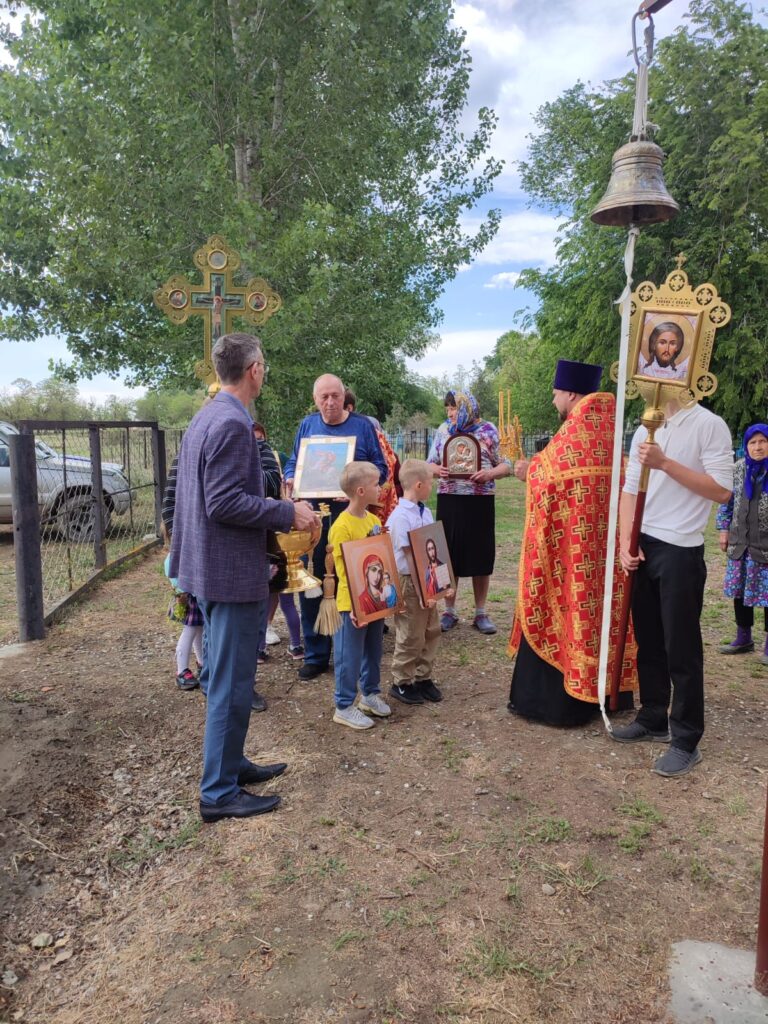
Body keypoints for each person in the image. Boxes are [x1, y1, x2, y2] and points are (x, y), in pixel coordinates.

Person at [169, 332, 319, 822]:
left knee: (225, 677)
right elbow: (224, 502)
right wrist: (287, 512)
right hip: (229, 575)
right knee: (230, 684)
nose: (264, 373)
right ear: (254, 370)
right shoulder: (233, 423)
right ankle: (218, 793)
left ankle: (231, 766)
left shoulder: (208, 414)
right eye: (264, 366)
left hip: (211, 569)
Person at [508, 360, 637, 725]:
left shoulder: (576, 430)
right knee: (604, 614)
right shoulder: (609, 429)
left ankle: (560, 703)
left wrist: (528, 471)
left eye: (555, 394)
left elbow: (549, 478)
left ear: (569, 393)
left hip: (573, 551)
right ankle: (610, 693)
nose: (553, 402)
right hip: (606, 550)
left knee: (572, 608)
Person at [612, 394, 733, 778]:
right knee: (648, 639)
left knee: (680, 647)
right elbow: (631, 488)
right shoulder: (646, 425)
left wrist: (664, 463)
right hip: (642, 543)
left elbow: (721, 490)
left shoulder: (709, 425)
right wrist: (625, 540)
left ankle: (685, 738)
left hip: (680, 547)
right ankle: (653, 716)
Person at [283, 374, 387, 681]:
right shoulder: (307, 425)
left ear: (344, 397)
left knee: (354, 578)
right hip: (313, 518)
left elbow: (381, 468)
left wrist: (356, 485)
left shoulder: (363, 427)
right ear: (315, 399)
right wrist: (291, 477)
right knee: (313, 581)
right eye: (324, 397)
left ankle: (354, 647)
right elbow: (294, 462)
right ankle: (316, 654)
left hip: (352, 516)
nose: (330, 402)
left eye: (335, 396)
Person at [427, 390, 510, 634]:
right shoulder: (444, 430)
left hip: (479, 501)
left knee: (480, 555)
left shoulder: (488, 430)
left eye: (453, 408)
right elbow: (429, 463)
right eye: (447, 409)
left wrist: (489, 474)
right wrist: (437, 470)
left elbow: (507, 464)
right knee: (447, 555)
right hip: (449, 499)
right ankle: (449, 611)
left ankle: (480, 612)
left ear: (466, 407)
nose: (450, 413)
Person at [328, 461, 392, 729]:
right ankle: (343, 706)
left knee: (373, 650)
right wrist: (356, 605)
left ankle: (370, 694)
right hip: (351, 604)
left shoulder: (374, 520)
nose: (381, 489)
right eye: (376, 484)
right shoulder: (341, 527)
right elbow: (345, 571)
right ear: (361, 491)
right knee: (349, 655)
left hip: (374, 600)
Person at [386, 459, 448, 706]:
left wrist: (441, 583)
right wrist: (422, 590)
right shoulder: (400, 517)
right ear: (419, 485)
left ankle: (423, 676)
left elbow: (433, 546)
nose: (432, 487)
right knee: (411, 632)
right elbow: (410, 555)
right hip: (410, 581)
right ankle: (401, 681)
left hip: (426, 577)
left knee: (431, 629)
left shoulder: (425, 512)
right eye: (431, 483)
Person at [716, 424, 768, 665]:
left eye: (763, 441)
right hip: (741, 543)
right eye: (752, 442)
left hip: (765, 545)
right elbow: (726, 500)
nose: (758, 447)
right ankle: (744, 637)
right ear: (746, 446)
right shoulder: (738, 469)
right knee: (739, 590)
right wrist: (724, 530)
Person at [252, 422, 304, 664]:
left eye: (260, 439)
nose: (257, 444)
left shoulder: (275, 460)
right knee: (283, 601)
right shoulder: (273, 464)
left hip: (272, 547)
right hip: (280, 546)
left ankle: (265, 648)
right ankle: (293, 645)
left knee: (277, 600)